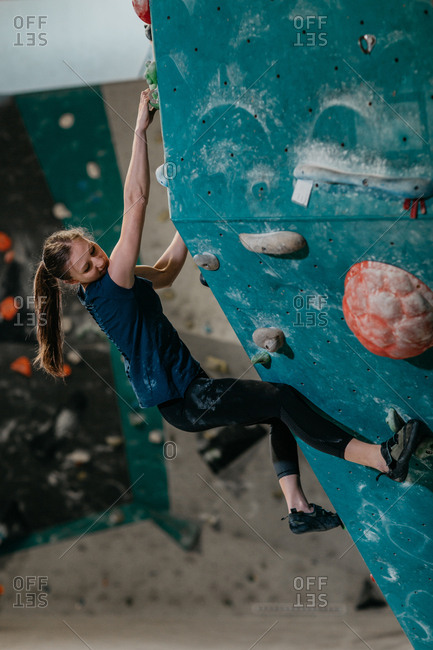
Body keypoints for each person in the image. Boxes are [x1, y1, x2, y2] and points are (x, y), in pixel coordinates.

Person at [33, 89, 425, 535]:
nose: (100, 261)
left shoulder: (108, 283)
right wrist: (140, 132)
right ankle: (381, 458)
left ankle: (298, 509)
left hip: (185, 399)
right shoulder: (111, 288)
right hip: (188, 400)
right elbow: (136, 203)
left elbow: (163, 272)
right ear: (71, 282)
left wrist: (186, 219)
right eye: (88, 265)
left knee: (278, 408)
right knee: (283, 399)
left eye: (96, 251)